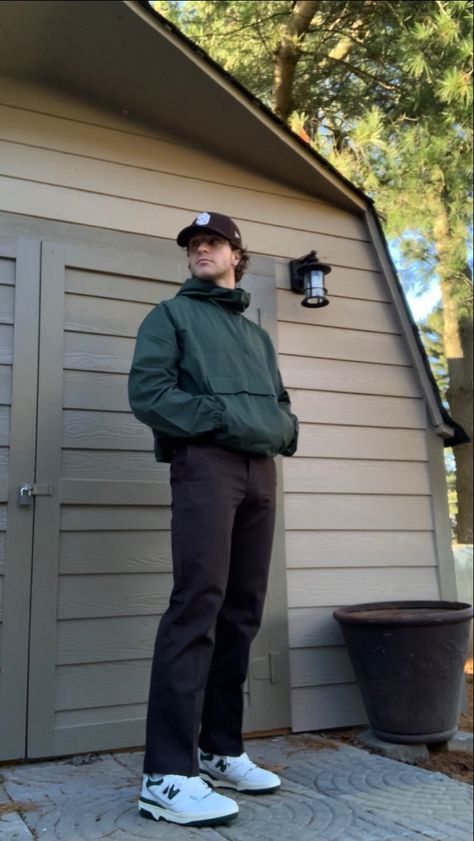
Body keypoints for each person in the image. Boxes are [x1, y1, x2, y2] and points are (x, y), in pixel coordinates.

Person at [128, 211, 298, 827]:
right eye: (194, 244)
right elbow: (149, 394)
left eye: (214, 241)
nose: (202, 249)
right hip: (206, 465)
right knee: (197, 603)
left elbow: (281, 407)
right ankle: (166, 774)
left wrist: (281, 432)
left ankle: (220, 749)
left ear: (236, 255)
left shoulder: (256, 337)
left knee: (242, 610)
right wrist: (225, 421)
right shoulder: (170, 317)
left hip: (260, 471)